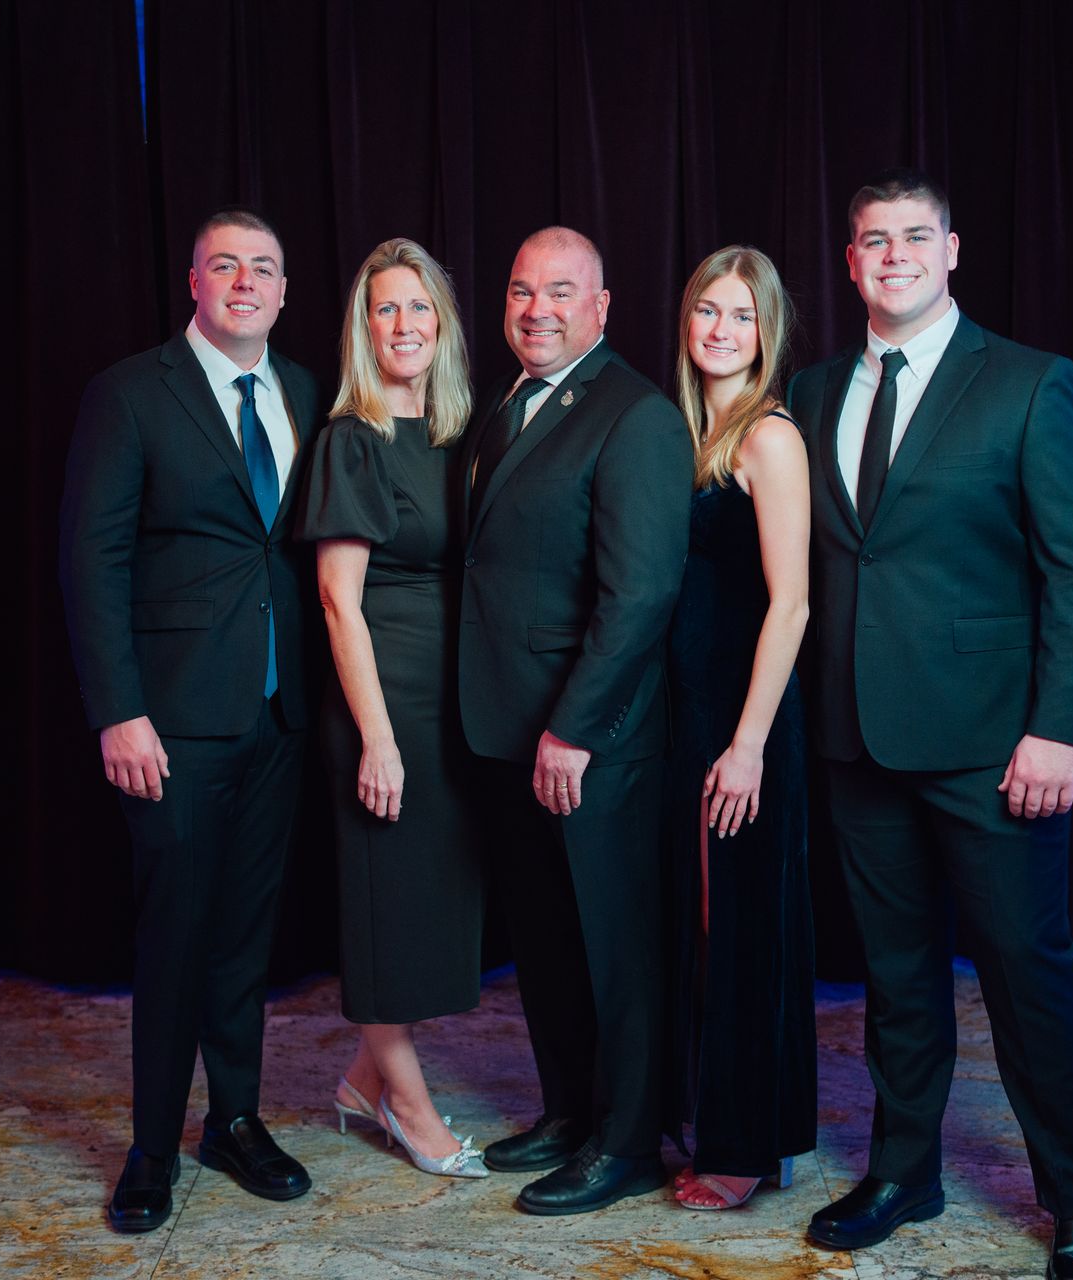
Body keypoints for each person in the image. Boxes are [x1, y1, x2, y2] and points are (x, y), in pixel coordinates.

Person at [787, 168, 1073, 1280]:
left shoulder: (1030, 383)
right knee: (896, 973)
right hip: (858, 737)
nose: (893, 255)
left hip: (995, 743)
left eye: (914, 236)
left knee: (1029, 974)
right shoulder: (817, 383)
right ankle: (904, 1168)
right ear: (850, 261)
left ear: (953, 250)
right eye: (873, 239)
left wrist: (1058, 725)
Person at [60, 207, 322, 1232]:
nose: (247, 281)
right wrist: (117, 711)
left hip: (277, 711)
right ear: (195, 283)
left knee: (246, 934)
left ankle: (237, 1119)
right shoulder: (130, 394)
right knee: (176, 931)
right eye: (228, 265)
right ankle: (152, 1145)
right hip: (171, 719)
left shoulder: (303, 391)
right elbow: (93, 562)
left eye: (265, 267)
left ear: (285, 291)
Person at [457, 226, 693, 1214]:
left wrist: (575, 728)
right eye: (520, 290)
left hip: (591, 736)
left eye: (560, 291)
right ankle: (569, 1110)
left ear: (602, 305)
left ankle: (630, 1137)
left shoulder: (635, 415)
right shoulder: (505, 404)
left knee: (617, 943)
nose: (536, 309)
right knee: (548, 939)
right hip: (505, 726)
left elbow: (640, 595)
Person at [297, 238, 486, 1179]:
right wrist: (377, 736)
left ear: (442, 326)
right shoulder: (350, 440)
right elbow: (339, 600)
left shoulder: (458, 436)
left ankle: (363, 1079)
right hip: (384, 707)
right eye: (386, 310)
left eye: (420, 308)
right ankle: (410, 1110)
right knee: (384, 911)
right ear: (363, 330)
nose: (404, 325)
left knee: (423, 911)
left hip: (449, 709)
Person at [661, 246, 817, 1211]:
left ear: (767, 333)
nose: (721, 330)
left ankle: (747, 1147)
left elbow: (791, 603)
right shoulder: (679, 431)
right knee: (704, 926)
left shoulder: (769, 437)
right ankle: (735, 1120)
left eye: (741, 316)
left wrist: (749, 742)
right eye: (707, 311)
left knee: (745, 927)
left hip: (743, 719)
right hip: (686, 715)